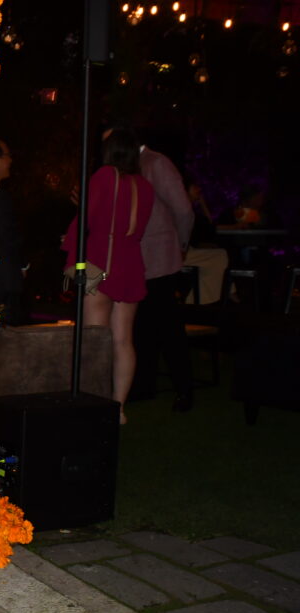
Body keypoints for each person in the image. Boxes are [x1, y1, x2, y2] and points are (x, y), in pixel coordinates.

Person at [63, 128, 155, 425]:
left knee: (93, 340)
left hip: (102, 262)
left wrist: (72, 261)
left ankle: (92, 403)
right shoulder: (145, 185)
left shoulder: (104, 176)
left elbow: (85, 222)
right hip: (131, 263)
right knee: (123, 340)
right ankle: (118, 407)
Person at [134, 132, 195, 411]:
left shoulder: (155, 162)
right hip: (138, 258)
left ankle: (184, 389)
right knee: (144, 324)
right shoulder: (128, 164)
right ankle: (145, 385)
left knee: (168, 326)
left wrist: (180, 243)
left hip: (159, 257)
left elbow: (183, 209)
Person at [0, 136, 25, 325]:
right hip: (2, 280)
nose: (10, 161)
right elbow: (10, 236)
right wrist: (24, 265)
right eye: (7, 156)